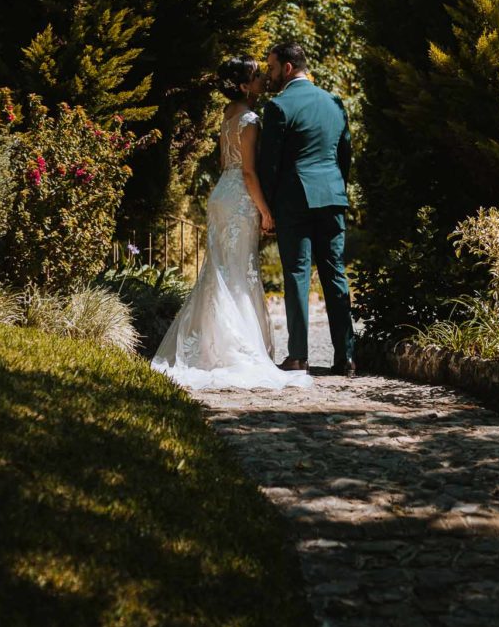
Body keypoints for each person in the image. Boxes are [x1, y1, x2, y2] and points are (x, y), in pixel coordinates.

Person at [151, 56, 312, 392]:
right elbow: (250, 171)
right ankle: (234, 348)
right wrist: (265, 210)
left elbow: (229, 163)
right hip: (240, 197)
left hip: (221, 193)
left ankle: (210, 345)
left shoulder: (228, 115)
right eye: (256, 77)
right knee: (238, 272)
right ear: (243, 86)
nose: (262, 81)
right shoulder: (251, 119)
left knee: (221, 271)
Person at [259, 42, 356, 376]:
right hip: (332, 197)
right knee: (336, 275)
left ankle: (298, 355)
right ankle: (346, 357)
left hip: (294, 202)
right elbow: (345, 155)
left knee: (297, 275)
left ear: (287, 68)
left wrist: (266, 209)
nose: (269, 75)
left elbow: (268, 166)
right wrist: (337, 187)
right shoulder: (334, 102)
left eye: (271, 68)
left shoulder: (278, 107)